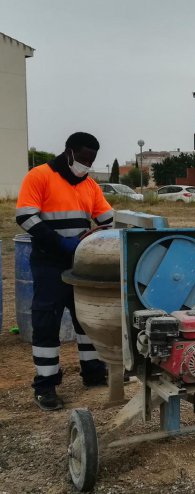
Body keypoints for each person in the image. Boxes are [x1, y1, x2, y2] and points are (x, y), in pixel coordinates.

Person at [16, 132, 114, 411]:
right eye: (83, 159)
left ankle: (93, 373)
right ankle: (45, 386)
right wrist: (59, 243)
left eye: (91, 160)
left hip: (81, 263)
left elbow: (107, 219)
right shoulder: (40, 176)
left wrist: (104, 236)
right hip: (49, 262)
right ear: (69, 152)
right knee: (46, 321)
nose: (86, 165)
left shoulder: (90, 185)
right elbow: (25, 217)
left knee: (87, 318)